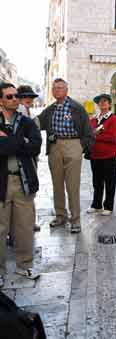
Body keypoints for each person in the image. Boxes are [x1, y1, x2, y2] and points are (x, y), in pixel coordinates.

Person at [38, 78, 93, 233]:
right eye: (55, 88)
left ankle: (75, 220)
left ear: (66, 90)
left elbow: (88, 131)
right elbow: (37, 123)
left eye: (60, 88)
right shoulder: (50, 109)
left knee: (72, 185)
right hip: (54, 147)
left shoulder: (77, 108)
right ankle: (60, 215)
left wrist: (80, 147)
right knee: (56, 184)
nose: (57, 90)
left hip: (73, 144)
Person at [0, 82, 42, 285]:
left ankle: (24, 266)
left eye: (16, 96)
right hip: (2, 182)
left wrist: (7, 141)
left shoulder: (27, 122)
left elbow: (35, 147)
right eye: (9, 97)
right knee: (0, 228)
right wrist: (20, 142)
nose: (15, 99)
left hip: (23, 180)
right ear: (1, 100)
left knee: (25, 226)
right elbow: (23, 145)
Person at [87, 94, 116, 216]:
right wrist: (96, 134)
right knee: (97, 181)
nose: (102, 103)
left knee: (110, 181)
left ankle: (108, 206)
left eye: (105, 101)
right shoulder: (93, 120)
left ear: (110, 104)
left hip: (110, 155)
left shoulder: (114, 119)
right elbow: (88, 134)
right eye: (100, 102)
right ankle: (96, 204)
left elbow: (112, 137)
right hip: (95, 155)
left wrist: (95, 135)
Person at [17, 85, 41, 232]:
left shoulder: (27, 112)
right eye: (25, 97)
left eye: (30, 97)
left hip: (30, 157)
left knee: (27, 190)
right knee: (26, 191)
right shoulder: (19, 111)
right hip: (24, 158)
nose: (29, 100)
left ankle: (28, 222)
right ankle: (25, 224)